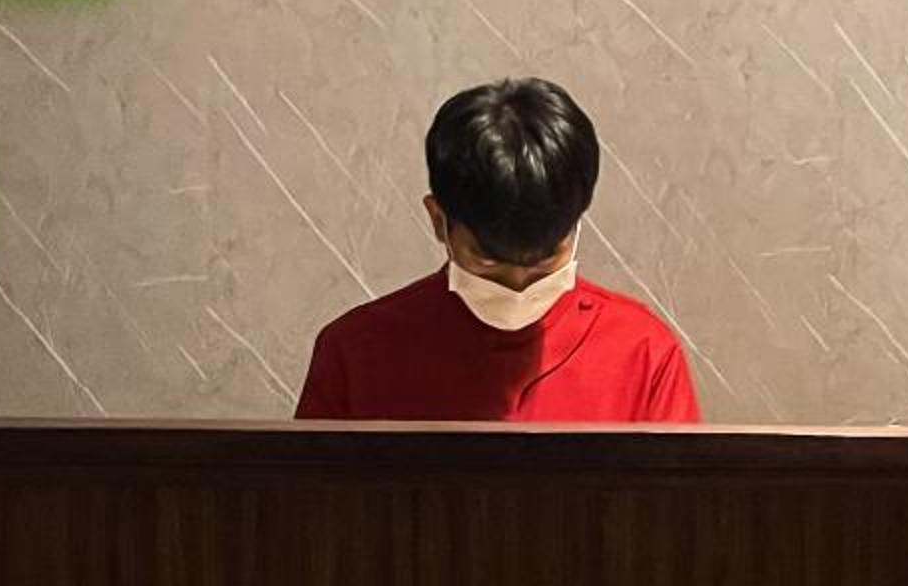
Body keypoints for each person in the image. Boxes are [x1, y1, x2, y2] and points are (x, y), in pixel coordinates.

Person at [294, 79, 700, 423]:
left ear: (576, 224)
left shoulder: (643, 353)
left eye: (545, 264)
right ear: (438, 220)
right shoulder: (357, 354)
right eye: (488, 263)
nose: (517, 286)